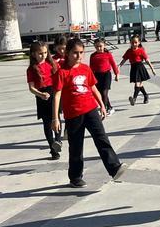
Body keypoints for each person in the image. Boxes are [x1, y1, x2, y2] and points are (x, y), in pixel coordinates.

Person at [51, 38, 125, 188]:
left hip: (90, 110)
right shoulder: (62, 72)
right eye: (75, 53)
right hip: (73, 115)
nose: (78, 56)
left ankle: (115, 168)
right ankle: (75, 177)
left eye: (81, 53)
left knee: (102, 138)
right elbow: (57, 95)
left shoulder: (85, 68)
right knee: (76, 146)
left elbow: (93, 88)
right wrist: (55, 118)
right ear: (67, 53)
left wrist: (102, 106)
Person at [26, 41, 62, 159]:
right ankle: (53, 148)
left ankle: (58, 141)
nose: (44, 55)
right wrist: (40, 94)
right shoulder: (31, 69)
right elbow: (31, 88)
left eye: (45, 53)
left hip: (54, 93)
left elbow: (60, 79)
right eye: (40, 53)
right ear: (33, 54)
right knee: (47, 123)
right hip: (42, 96)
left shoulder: (52, 64)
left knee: (56, 118)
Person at [119, 35, 156, 106]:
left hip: (140, 67)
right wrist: (119, 66)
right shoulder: (129, 51)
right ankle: (146, 96)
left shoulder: (141, 50)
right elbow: (124, 59)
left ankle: (134, 99)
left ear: (139, 42)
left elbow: (147, 60)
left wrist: (152, 69)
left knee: (137, 84)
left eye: (135, 42)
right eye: (132, 42)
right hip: (133, 68)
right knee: (139, 84)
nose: (134, 44)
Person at [90, 38, 119, 115]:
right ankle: (110, 108)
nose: (99, 48)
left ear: (104, 45)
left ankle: (104, 109)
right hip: (97, 76)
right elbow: (91, 68)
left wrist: (116, 74)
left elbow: (113, 64)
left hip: (106, 75)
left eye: (100, 46)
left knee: (104, 92)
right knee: (101, 94)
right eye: (97, 47)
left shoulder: (108, 54)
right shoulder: (93, 56)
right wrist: (90, 79)